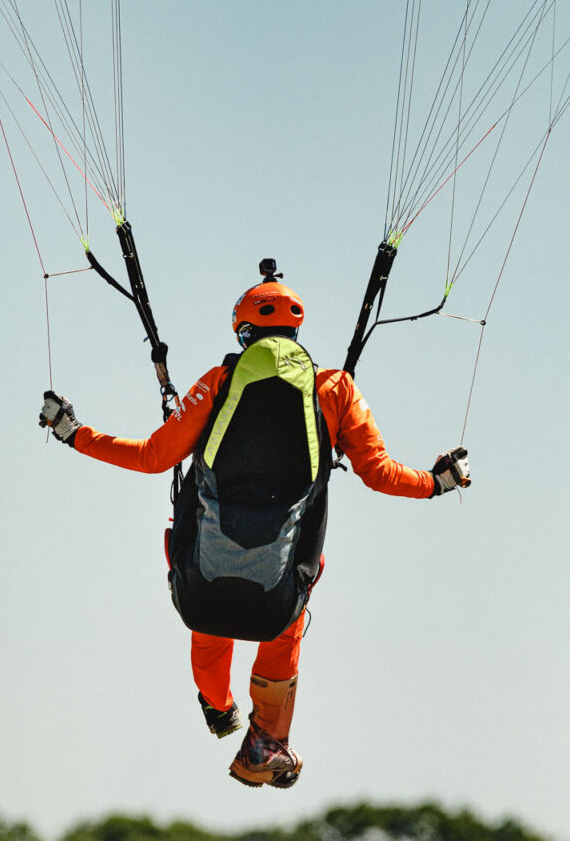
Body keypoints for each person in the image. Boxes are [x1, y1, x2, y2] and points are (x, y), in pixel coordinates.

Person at [39, 263, 470, 789]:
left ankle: (219, 707)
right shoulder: (334, 389)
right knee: (287, 609)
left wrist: (73, 432)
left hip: (201, 589)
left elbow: (154, 457)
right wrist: (437, 482)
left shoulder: (219, 382)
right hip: (278, 599)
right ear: (296, 332)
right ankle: (266, 741)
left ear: (244, 333)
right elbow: (379, 475)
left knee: (212, 604)